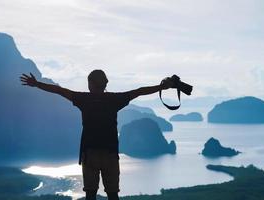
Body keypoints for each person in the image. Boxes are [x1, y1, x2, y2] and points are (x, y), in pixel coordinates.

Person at [20, 70, 173, 200]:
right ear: (105, 84)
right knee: (113, 195)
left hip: (90, 154)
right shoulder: (114, 99)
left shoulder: (83, 99)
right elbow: (140, 91)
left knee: (90, 195)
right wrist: (162, 87)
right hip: (110, 155)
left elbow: (59, 91)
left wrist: (37, 84)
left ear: (91, 83)